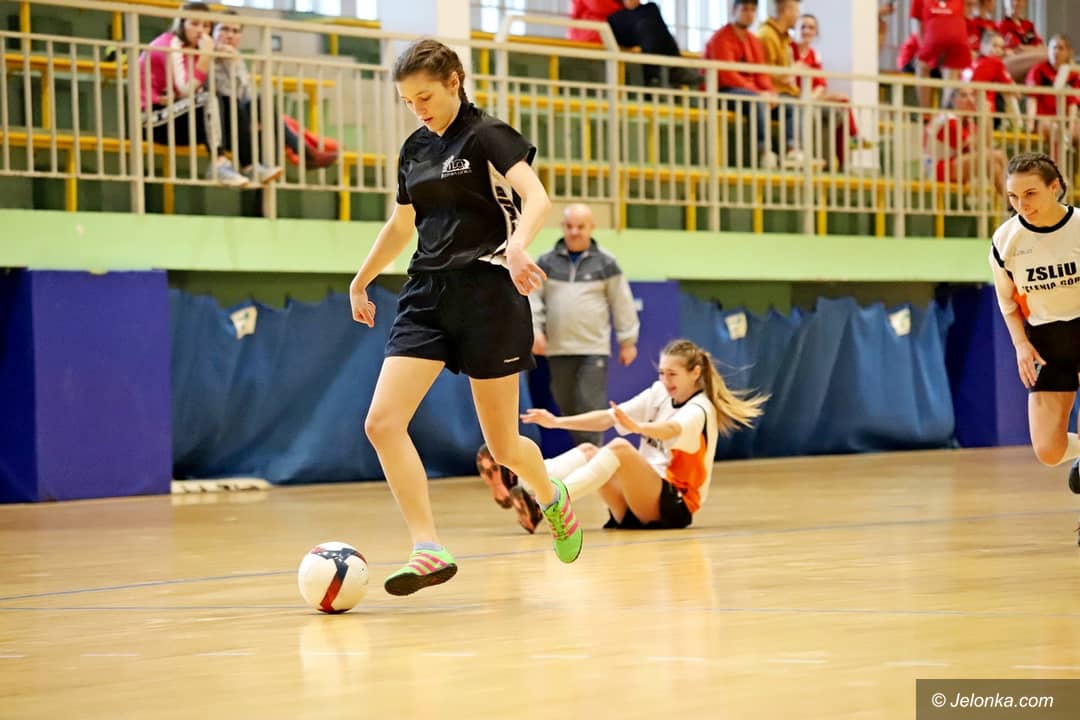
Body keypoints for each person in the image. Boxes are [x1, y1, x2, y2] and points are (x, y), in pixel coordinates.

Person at [348, 39, 583, 596]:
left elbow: (536, 198)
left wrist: (519, 246)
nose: (418, 110)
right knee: (381, 423)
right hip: (427, 294)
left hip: (489, 293)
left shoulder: (487, 135)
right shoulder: (414, 149)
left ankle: (551, 495)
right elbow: (402, 225)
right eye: (408, 102)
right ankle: (427, 547)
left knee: (504, 448)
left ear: (454, 81)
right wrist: (362, 278)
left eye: (425, 97)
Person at [511, 339, 768, 532]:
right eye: (662, 373)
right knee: (589, 451)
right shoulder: (659, 392)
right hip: (637, 500)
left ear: (695, 373)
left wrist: (638, 428)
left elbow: (671, 429)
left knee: (620, 448)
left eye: (673, 374)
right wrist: (556, 422)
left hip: (674, 505)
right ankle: (519, 481)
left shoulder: (700, 409)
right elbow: (607, 417)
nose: (666, 380)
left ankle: (551, 503)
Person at [988, 152, 1080, 541]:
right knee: (1048, 451)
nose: (1021, 205)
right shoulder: (1006, 240)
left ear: (1054, 187)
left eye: (1030, 194)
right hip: (1045, 340)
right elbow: (1008, 304)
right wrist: (1021, 346)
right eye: (1013, 197)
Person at [138, 1, 248, 187]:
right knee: (208, 98)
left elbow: (189, 93)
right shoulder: (169, 44)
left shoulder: (194, 48)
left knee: (229, 103)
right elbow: (186, 89)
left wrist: (231, 60)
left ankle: (250, 165)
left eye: (206, 26)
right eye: (194, 24)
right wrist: (206, 56)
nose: (200, 31)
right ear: (182, 23)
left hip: (174, 113)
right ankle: (218, 163)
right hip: (150, 120)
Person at [705, 0, 801, 169]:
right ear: (734, 10)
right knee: (757, 101)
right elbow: (728, 76)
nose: (749, 14)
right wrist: (759, 92)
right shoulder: (721, 38)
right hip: (723, 90)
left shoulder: (753, 40)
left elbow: (761, 72)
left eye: (752, 10)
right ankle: (764, 152)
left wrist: (770, 92)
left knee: (789, 106)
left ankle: (792, 149)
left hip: (751, 91)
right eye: (745, 9)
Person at [210, 11, 283, 186]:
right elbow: (223, 92)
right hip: (221, 116)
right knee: (232, 102)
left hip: (240, 115)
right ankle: (304, 153)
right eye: (224, 29)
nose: (230, 35)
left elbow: (246, 92)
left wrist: (234, 62)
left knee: (264, 106)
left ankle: (266, 168)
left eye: (235, 31)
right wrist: (228, 60)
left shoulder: (237, 56)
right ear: (213, 31)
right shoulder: (206, 54)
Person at [567, 0, 699, 87]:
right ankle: (670, 70)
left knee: (649, 15)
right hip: (597, 28)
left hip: (617, 24)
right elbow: (598, 5)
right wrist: (625, 6)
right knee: (646, 21)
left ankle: (654, 77)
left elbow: (633, 5)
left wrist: (629, 6)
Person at [923, 86, 1007, 196]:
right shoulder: (947, 120)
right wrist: (985, 117)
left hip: (954, 166)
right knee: (991, 156)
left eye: (972, 95)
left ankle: (1012, 199)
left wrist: (988, 118)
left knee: (996, 158)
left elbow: (985, 146)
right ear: (953, 100)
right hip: (936, 170)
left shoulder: (968, 122)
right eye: (964, 96)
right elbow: (977, 147)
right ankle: (1013, 198)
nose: (970, 100)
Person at [910, 0, 972, 108]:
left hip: (948, 43)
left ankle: (938, 113)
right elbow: (918, 23)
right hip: (937, 42)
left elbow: (968, 11)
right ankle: (933, 112)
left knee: (948, 70)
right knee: (925, 67)